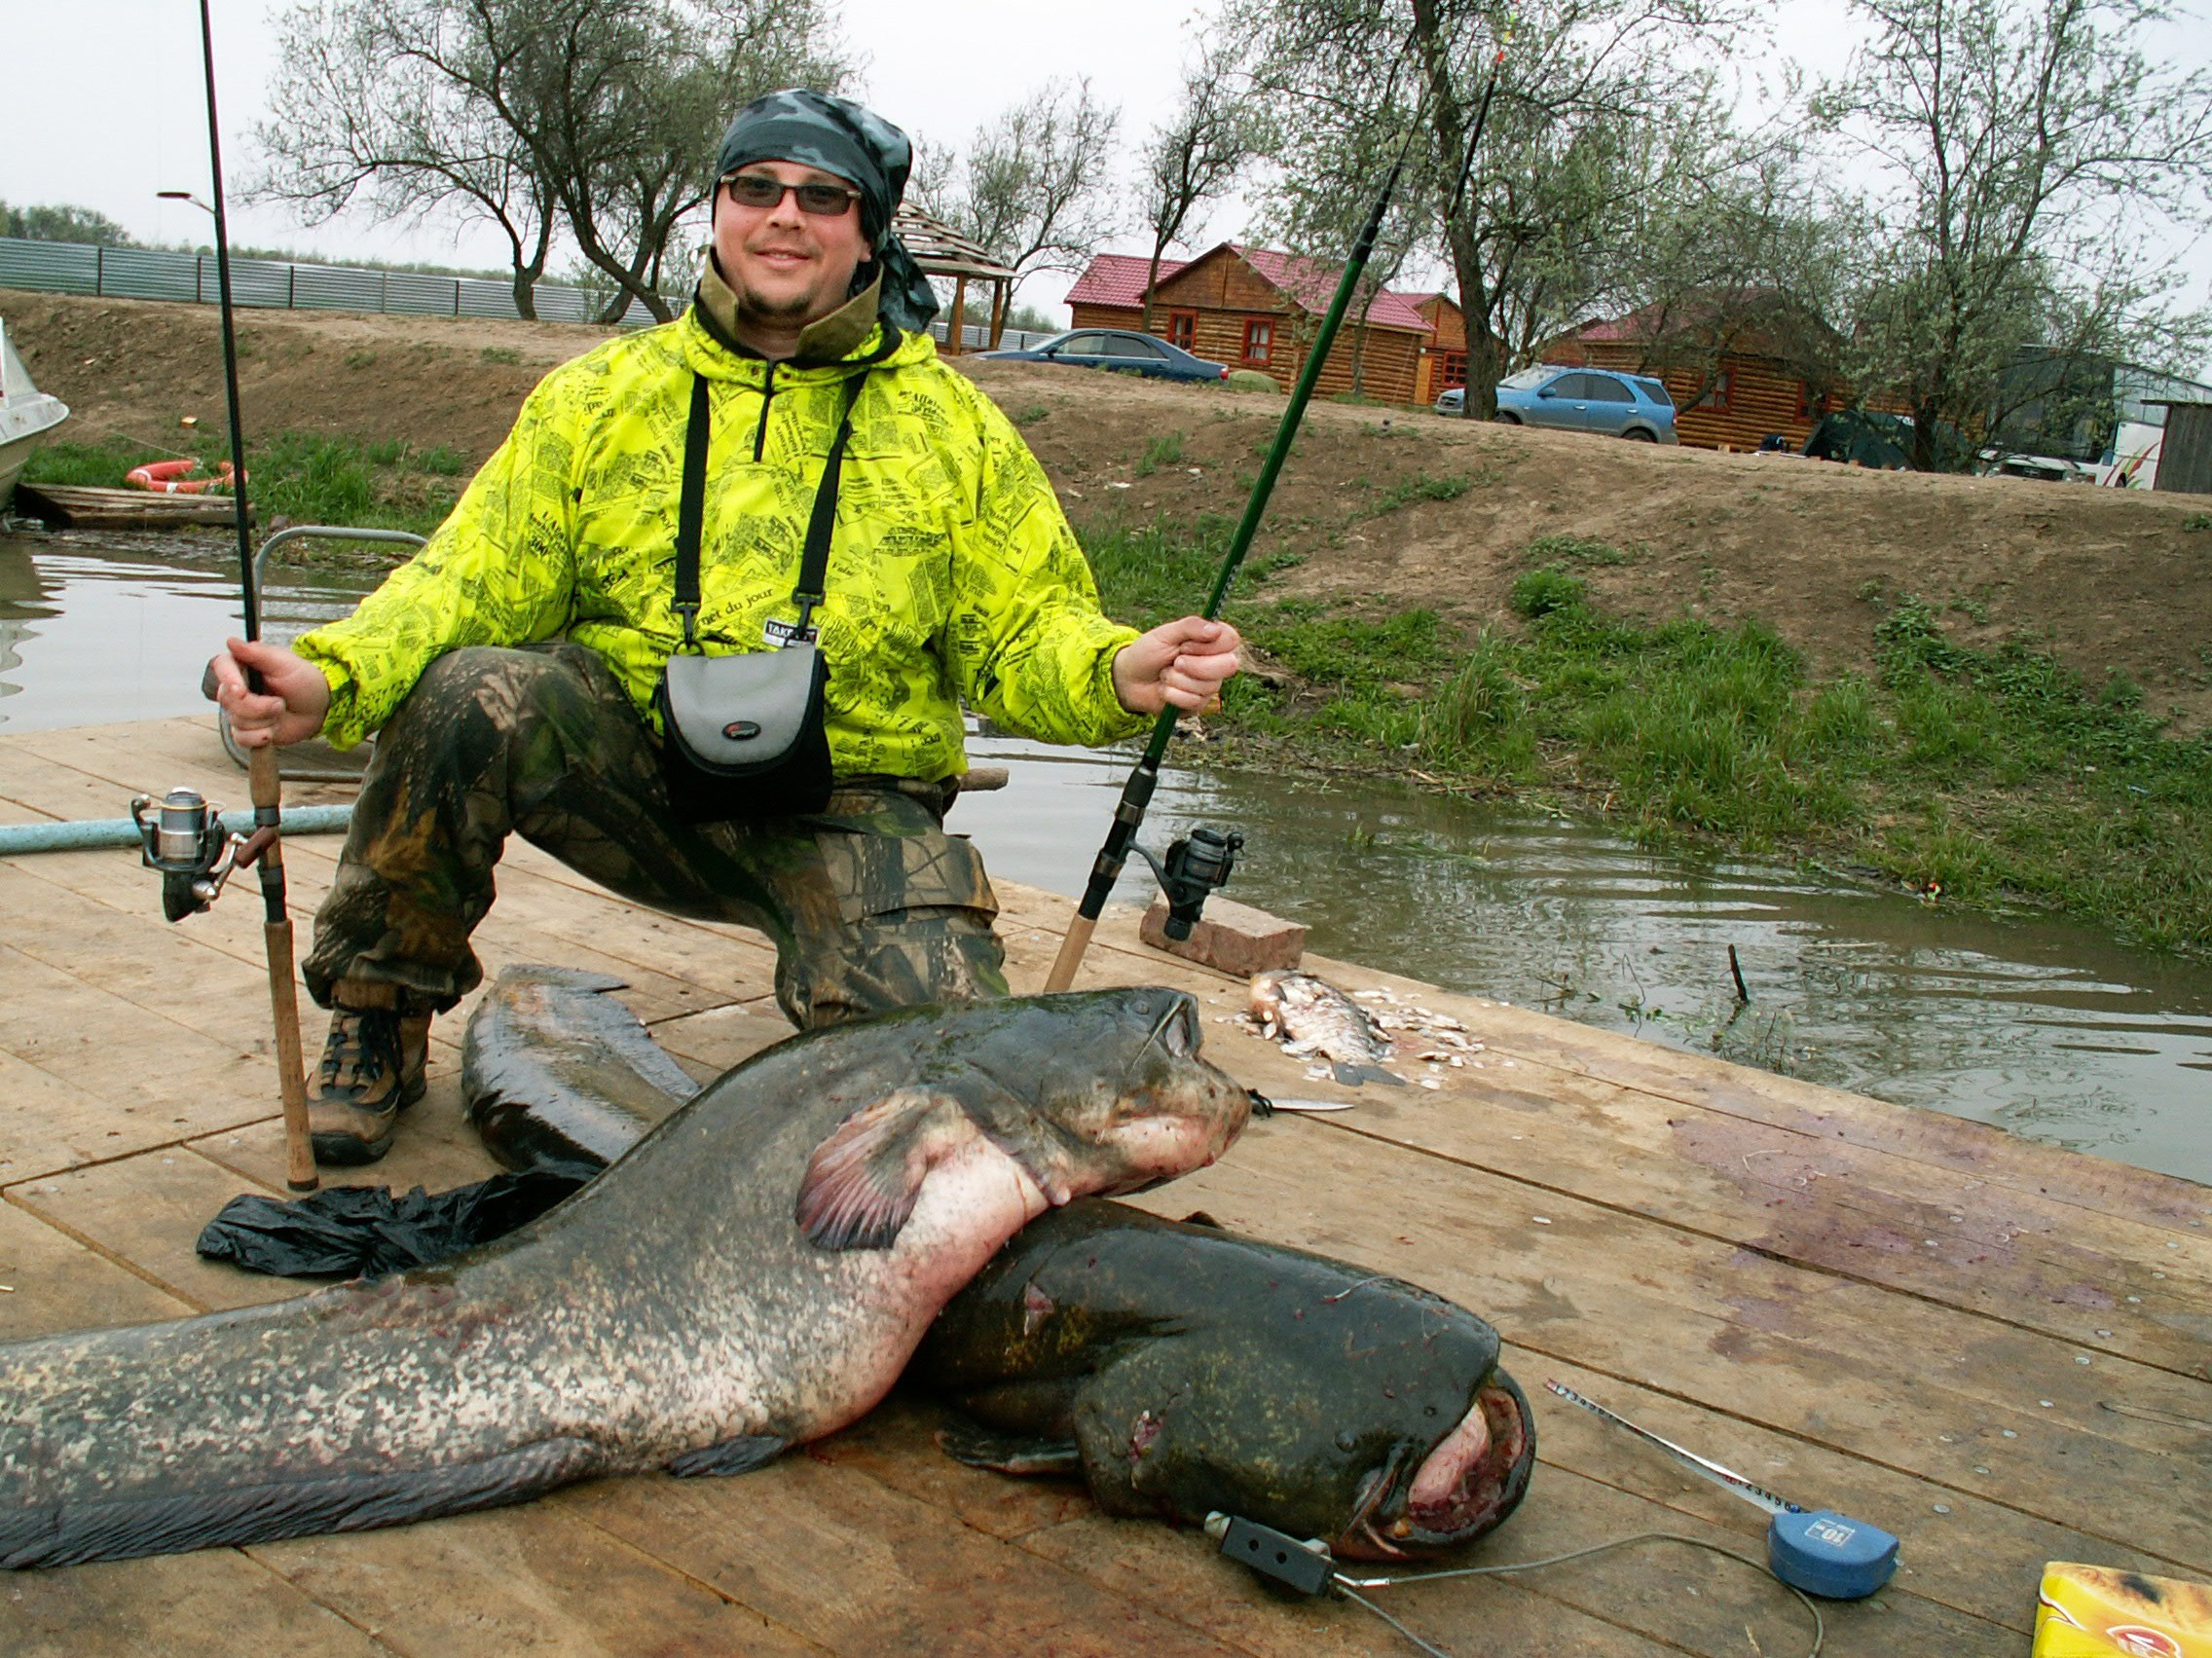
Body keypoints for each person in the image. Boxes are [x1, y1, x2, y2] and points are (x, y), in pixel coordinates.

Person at [206, 89, 1240, 1166]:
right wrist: (330, 674)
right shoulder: (599, 395)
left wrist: (1118, 666)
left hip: (848, 807)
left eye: (822, 196)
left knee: (944, 1095)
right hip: (632, 776)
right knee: (472, 687)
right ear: (718, 209)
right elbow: (465, 578)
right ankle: (380, 1008)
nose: (784, 215)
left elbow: (1027, 627)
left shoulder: (956, 429)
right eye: (756, 187)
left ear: (866, 229)